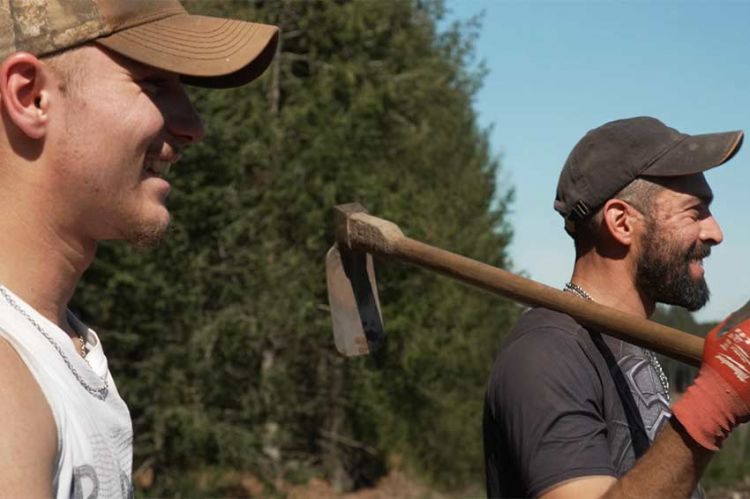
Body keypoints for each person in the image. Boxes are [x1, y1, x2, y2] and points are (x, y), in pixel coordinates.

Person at [0, 0, 278, 496]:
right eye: (153, 84)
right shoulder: (6, 387)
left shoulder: (58, 347)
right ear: (31, 97)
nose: (193, 125)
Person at [483, 116, 750, 498]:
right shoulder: (546, 354)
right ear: (622, 222)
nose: (716, 232)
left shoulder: (629, 344)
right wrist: (714, 402)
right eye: (695, 211)